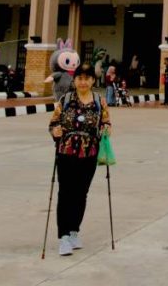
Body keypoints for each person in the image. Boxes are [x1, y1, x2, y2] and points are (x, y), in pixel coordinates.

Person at [48, 63, 111, 257]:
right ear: (74, 81)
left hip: (89, 153)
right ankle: (64, 236)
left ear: (93, 80)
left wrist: (106, 130)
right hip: (66, 152)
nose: (83, 82)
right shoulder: (65, 100)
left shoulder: (100, 102)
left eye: (87, 78)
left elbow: (106, 123)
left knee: (81, 193)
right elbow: (53, 123)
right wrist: (55, 131)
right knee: (65, 193)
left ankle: (74, 230)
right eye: (79, 78)